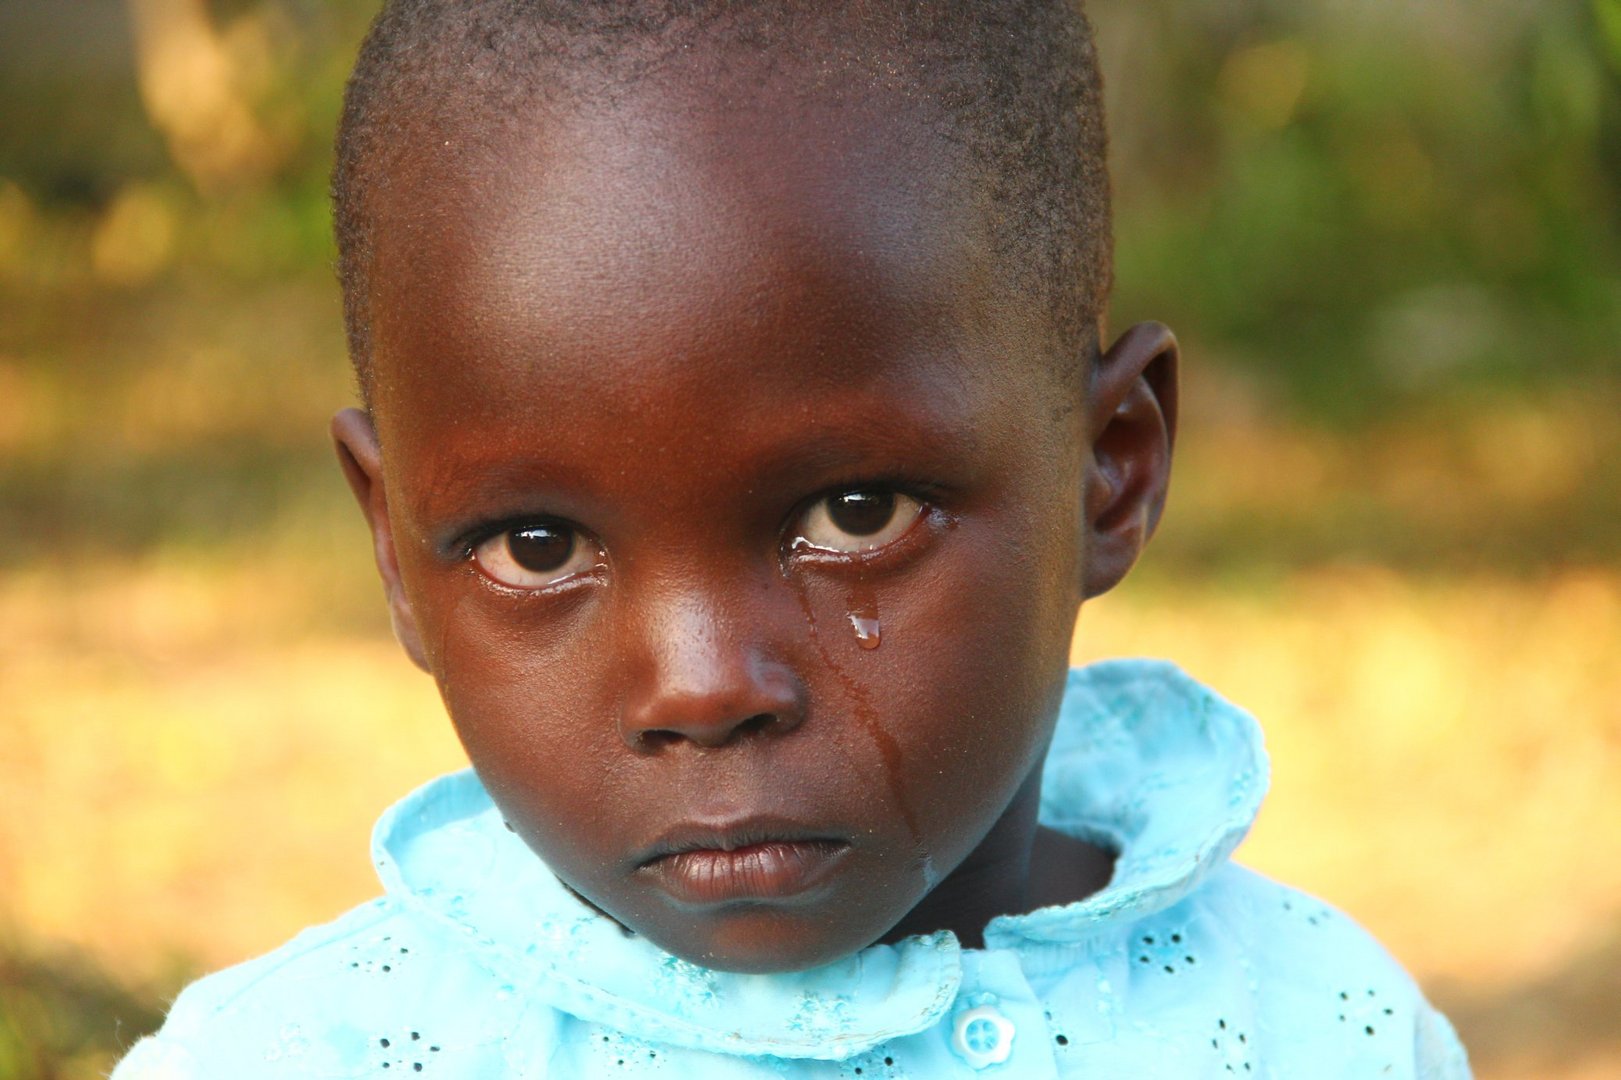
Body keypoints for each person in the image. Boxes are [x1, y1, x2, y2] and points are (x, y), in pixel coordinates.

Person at [113, 1, 1469, 1076]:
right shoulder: (295, 1058)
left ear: (1106, 469)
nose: (703, 687)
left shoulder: (1323, 1031)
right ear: (392, 544)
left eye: (854, 515)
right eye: (533, 545)